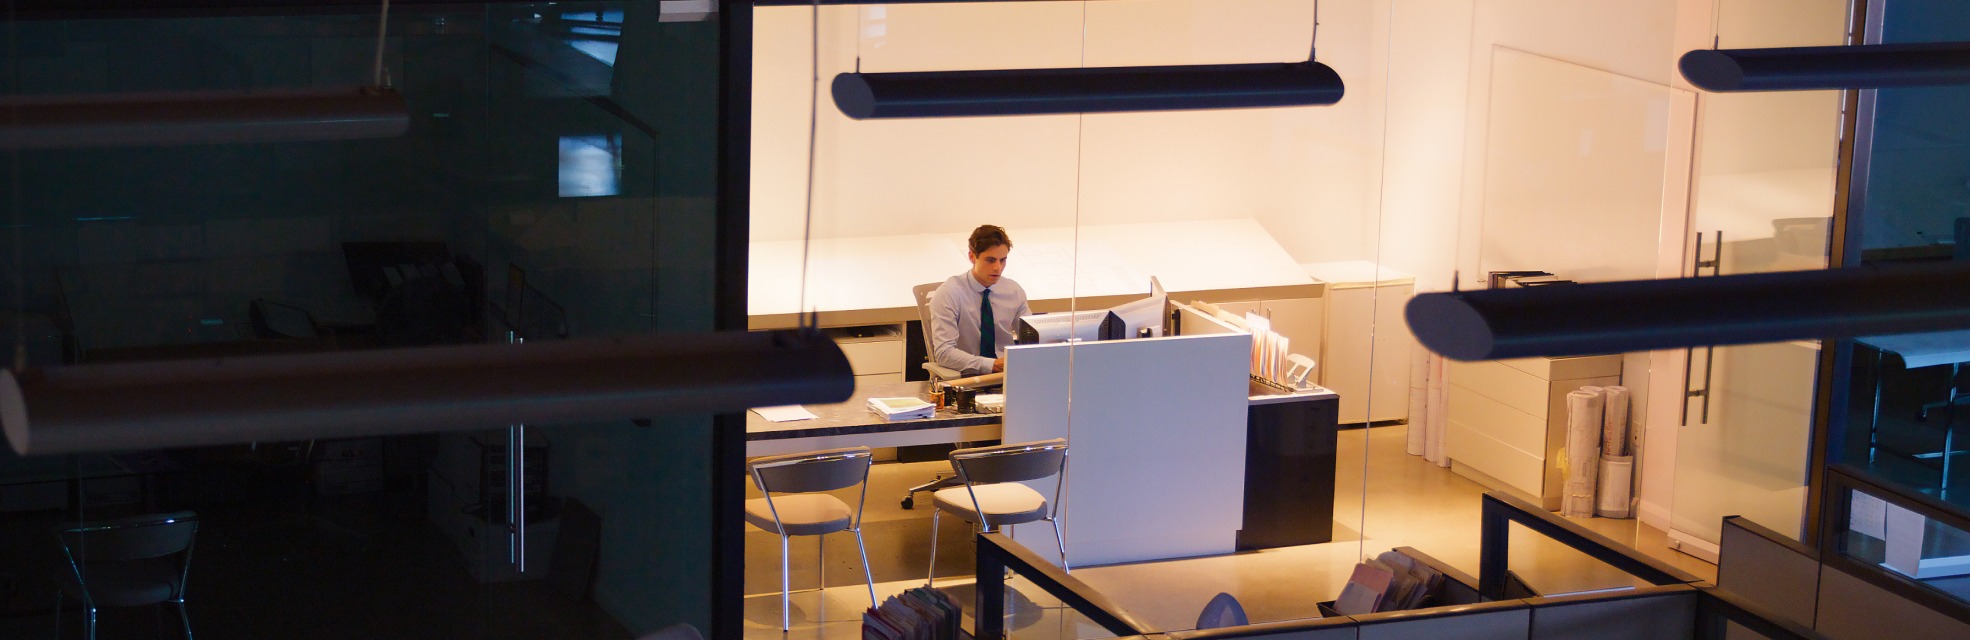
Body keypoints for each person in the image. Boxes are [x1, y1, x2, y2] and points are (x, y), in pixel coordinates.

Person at [928, 225, 1029, 376]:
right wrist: (991, 365)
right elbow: (944, 352)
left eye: (1003, 260)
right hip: (967, 376)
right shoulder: (949, 293)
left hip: (1008, 374)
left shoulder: (1013, 291)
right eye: (990, 260)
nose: (998, 268)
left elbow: (1032, 339)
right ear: (972, 256)